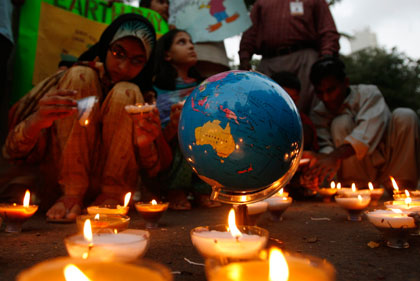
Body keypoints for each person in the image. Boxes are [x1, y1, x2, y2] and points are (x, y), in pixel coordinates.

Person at [2, 13, 172, 221]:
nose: (124, 67)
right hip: (57, 185)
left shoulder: (143, 98)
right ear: (106, 45)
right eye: (118, 53)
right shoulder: (67, 81)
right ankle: (71, 194)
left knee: (126, 92)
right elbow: (12, 152)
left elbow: (153, 170)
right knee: (80, 76)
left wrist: (145, 143)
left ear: (146, 64)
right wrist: (38, 120)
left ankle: (111, 194)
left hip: (119, 193)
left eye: (137, 60)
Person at [304, 56, 420, 192]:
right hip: (358, 175)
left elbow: (365, 136)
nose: (326, 98)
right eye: (320, 92)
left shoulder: (369, 94)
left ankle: (403, 187)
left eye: (331, 90)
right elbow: (327, 151)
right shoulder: (318, 113)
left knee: (405, 116)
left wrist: (333, 157)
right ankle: (356, 187)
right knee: (340, 123)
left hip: (389, 161)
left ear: (345, 83)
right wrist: (317, 161)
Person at [151, 29, 221, 210]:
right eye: (182, 42)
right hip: (170, 147)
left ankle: (203, 189)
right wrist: (174, 125)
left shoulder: (204, 87)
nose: (191, 46)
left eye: (191, 41)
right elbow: (157, 137)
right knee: (186, 129)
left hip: (205, 142)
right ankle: (175, 189)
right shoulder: (156, 90)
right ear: (167, 55)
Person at [238, 0, 340, 115]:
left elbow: (327, 30)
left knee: (311, 109)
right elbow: (250, 33)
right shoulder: (261, 3)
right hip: (269, 62)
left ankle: (311, 131)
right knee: (265, 110)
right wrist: (244, 58)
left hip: (304, 59)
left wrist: (326, 58)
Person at [271, 71, 318, 198]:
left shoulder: (303, 122)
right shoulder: (253, 122)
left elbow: (312, 156)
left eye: (293, 100)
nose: (287, 105)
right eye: (283, 99)